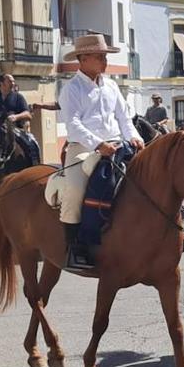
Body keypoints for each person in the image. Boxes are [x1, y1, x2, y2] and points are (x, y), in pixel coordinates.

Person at [55, 34, 145, 269]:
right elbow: (73, 125)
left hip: (117, 145)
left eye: (105, 56)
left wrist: (135, 138)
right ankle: (76, 246)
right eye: (99, 57)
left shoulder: (112, 86)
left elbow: (125, 118)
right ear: (83, 59)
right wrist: (98, 144)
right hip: (83, 148)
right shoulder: (71, 89)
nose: (105, 61)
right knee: (74, 189)